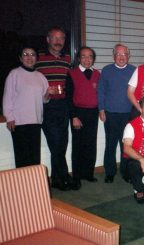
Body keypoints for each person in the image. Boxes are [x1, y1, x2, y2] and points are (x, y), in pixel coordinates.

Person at [35, 26, 72, 191]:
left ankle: (59, 178)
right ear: (48, 39)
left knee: (62, 143)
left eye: (61, 38)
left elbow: (71, 82)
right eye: (55, 38)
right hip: (46, 106)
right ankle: (62, 177)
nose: (58, 41)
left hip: (63, 105)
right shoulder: (38, 58)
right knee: (55, 143)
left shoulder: (67, 59)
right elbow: (30, 81)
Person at [3, 47, 50, 168]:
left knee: (34, 156)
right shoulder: (14, 74)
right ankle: (23, 186)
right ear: (20, 58)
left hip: (35, 121)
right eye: (25, 54)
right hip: (19, 122)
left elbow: (45, 100)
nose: (29, 57)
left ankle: (34, 185)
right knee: (22, 157)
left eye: (32, 54)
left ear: (36, 58)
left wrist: (49, 93)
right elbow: (8, 97)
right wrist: (9, 117)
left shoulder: (40, 76)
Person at [98, 44, 135, 183]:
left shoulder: (133, 70)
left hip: (128, 114)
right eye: (118, 54)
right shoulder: (107, 70)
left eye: (124, 54)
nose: (121, 57)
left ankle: (126, 172)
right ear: (114, 56)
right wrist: (101, 109)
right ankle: (110, 172)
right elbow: (101, 90)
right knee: (110, 144)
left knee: (126, 144)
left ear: (128, 56)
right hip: (110, 113)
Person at [66, 47, 100, 190]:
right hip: (78, 113)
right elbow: (68, 97)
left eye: (90, 56)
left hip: (93, 112)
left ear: (93, 59)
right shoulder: (72, 73)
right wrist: (73, 116)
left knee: (91, 144)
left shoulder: (97, 74)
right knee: (78, 146)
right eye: (84, 56)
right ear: (79, 58)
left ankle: (88, 173)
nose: (87, 59)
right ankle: (77, 177)